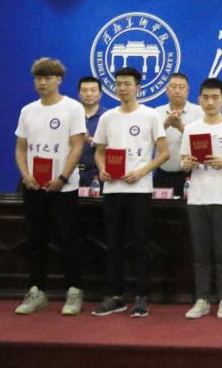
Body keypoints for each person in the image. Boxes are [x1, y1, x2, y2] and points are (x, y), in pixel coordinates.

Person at [92, 67, 169, 318]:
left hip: (139, 189)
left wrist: (142, 171)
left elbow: (164, 153)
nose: (122, 88)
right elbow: (99, 152)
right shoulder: (108, 117)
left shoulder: (150, 115)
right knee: (113, 243)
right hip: (112, 189)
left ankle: (141, 296)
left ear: (138, 87)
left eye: (127, 84)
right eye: (118, 84)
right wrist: (102, 169)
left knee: (140, 243)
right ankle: (115, 296)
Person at [13, 58, 87, 316]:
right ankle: (37, 291)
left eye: (47, 78)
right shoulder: (28, 110)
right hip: (34, 187)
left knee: (68, 239)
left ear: (59, 80)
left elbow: (77, 146)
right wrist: (26, 175)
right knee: (36, 240)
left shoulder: (73, 108)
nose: (42, 83)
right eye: (38, 78)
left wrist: (63, 178)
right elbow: (21, 148)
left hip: (63, 188)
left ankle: (74, 291)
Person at [180, 78, 222, 320]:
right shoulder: (191, 128)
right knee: (201, 253)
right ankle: (202, 299)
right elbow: (183, 162)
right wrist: (187, 163)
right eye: (206, 97)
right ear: (199, 99)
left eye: (215, 97)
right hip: (197, 198)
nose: (210, 102)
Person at [155, 74, 203, 196]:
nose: (177, 91)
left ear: (187, 91)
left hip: (190, 174)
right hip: (162, 172)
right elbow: (148, 141)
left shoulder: (199, 112)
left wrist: (181, 127)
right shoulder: (156, 112)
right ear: (166, 90)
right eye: (173, 87)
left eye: (181, 87)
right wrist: (164, 126)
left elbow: (203, 143)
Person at [76, 76, 105, 187]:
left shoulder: (107, 117)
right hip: (72, 172)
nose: (88, 94)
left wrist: (90, 140)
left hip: (98, 174)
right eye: (84, 90)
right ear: (79, 94)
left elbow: (115, 147)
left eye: (93, 90)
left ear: (100, 94)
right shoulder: (71, 116)